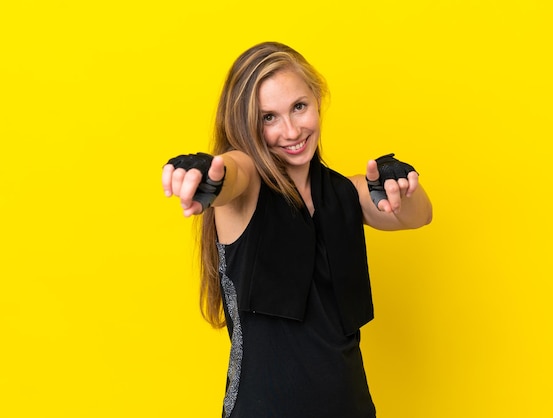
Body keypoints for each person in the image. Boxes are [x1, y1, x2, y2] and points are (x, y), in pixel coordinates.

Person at [161, 41, 432, 418]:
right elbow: (232, 173)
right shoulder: (249, 186)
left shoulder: (345, 193)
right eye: (268, 118)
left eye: (298, 107)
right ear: (247, 125)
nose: (290, 130)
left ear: (317, 99)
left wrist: (401, 184)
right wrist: (207, 173)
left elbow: (418, 215)